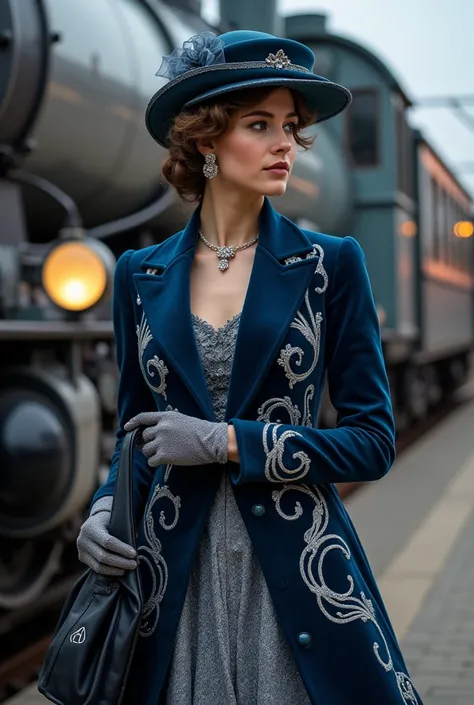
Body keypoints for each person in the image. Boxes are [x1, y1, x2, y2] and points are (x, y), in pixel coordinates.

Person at [77, 29, 423, 705]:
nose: (285, 143)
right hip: (173, 577)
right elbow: (132, 433)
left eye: (289, 126)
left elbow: (374, 441)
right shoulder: (136, 275)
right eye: (259, 124)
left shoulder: (331, 264)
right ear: (207, 140)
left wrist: (230, 441)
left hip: (295, 576)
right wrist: (103, 505)